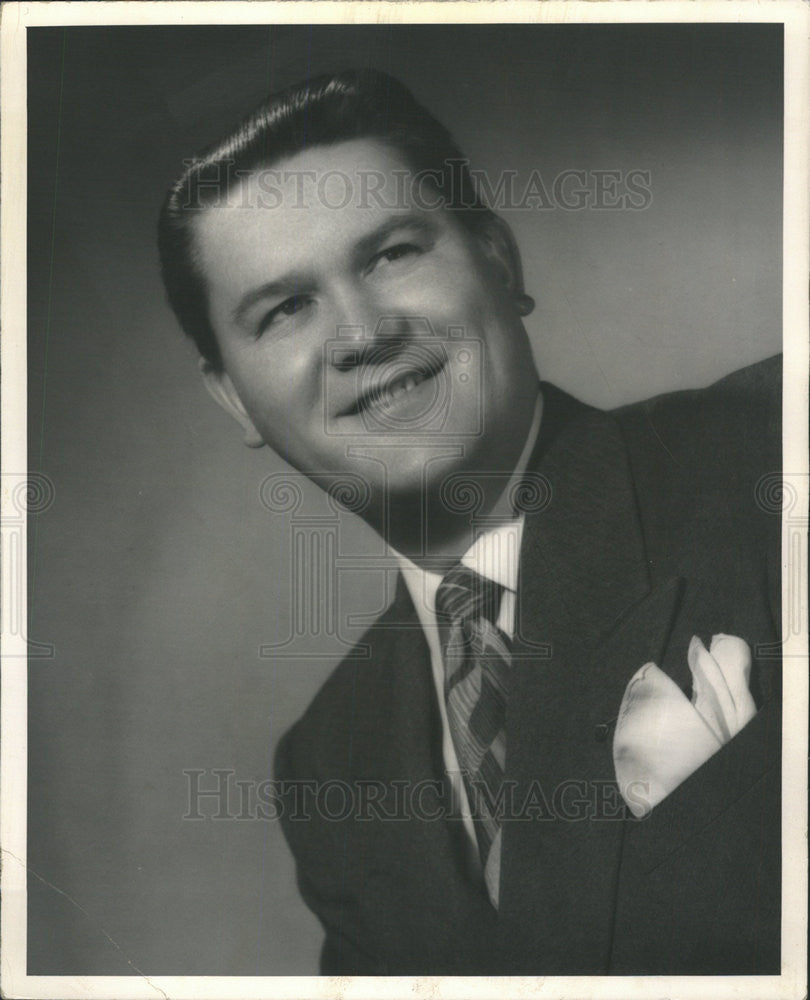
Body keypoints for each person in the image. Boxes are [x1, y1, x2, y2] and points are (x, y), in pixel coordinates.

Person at [158, 69, 781, 975]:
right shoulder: (336, 762)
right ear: (233, 398)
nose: (361, 333)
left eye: (391, 254)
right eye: (286, 308)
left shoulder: (773, 455)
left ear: (497, 259)